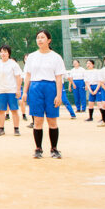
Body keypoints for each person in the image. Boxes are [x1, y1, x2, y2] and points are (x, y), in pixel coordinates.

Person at [22, 29, 65, 159]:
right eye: (38, 38)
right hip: (35, 88)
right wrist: (25, 92)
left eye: (42, 37)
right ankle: (38, 149)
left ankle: (54, 149)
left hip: (50, 87)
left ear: (49, 40)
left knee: (52, 120)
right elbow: (28, 75)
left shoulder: (56, 57)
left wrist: (58, 95)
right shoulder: (32, 57)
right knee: (38, 120)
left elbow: (58, 77)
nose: (39, 40)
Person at [0, 45, 22, 136]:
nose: (3, 54)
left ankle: (16, 129)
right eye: (1, 52)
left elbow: (18, 77)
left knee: (14, 110)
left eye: (5, 52)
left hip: (12, 91)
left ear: (9, 53)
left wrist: (18, 90)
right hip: (0, 91)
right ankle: (1, 129)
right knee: (1, 111)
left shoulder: (13, 64)